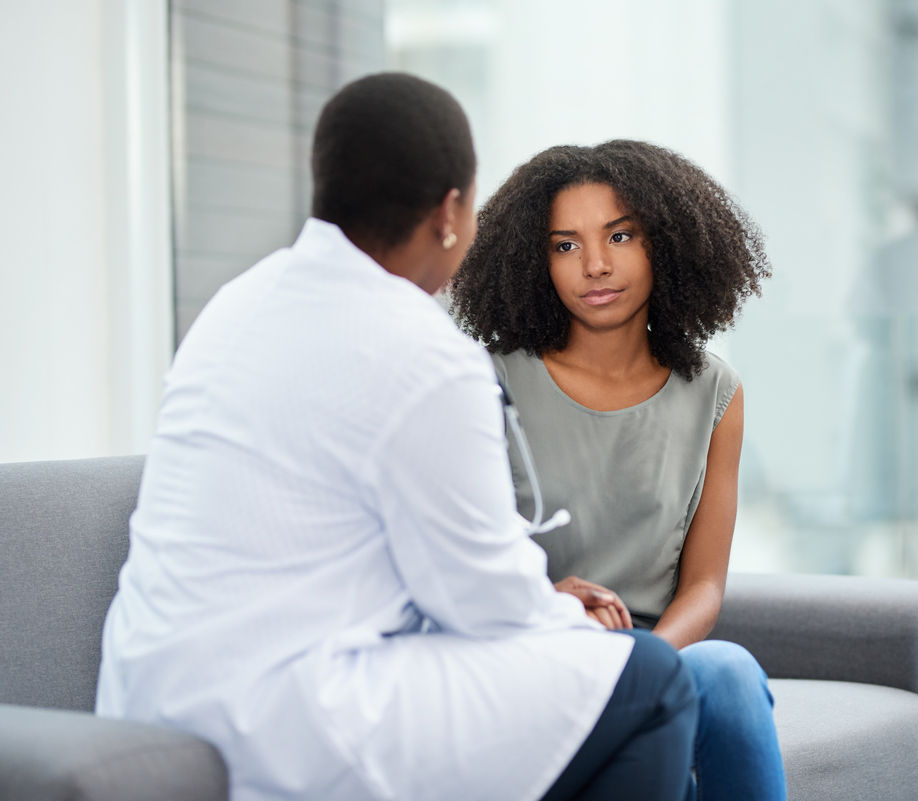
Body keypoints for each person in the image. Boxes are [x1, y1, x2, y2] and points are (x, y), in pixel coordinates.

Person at [95, 74, 698, 801]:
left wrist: (536, 602)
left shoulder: (238, 303)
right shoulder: (423, 352)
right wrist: (561, 613)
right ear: (449, 212)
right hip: (287, 715)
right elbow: (482, 603)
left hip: (146, 699)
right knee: (649, 680)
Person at [449, 140, 786, 801]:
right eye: (565, 245)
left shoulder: (715, 393)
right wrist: (548, 606)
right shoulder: (486, 382)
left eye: (620, 235)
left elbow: (704, 587)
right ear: (535, 260)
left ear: (663, 242)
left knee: (729, 674)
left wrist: (651, 663)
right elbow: (460, 565)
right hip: (537, 646)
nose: (596, 265)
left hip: (661, 648)